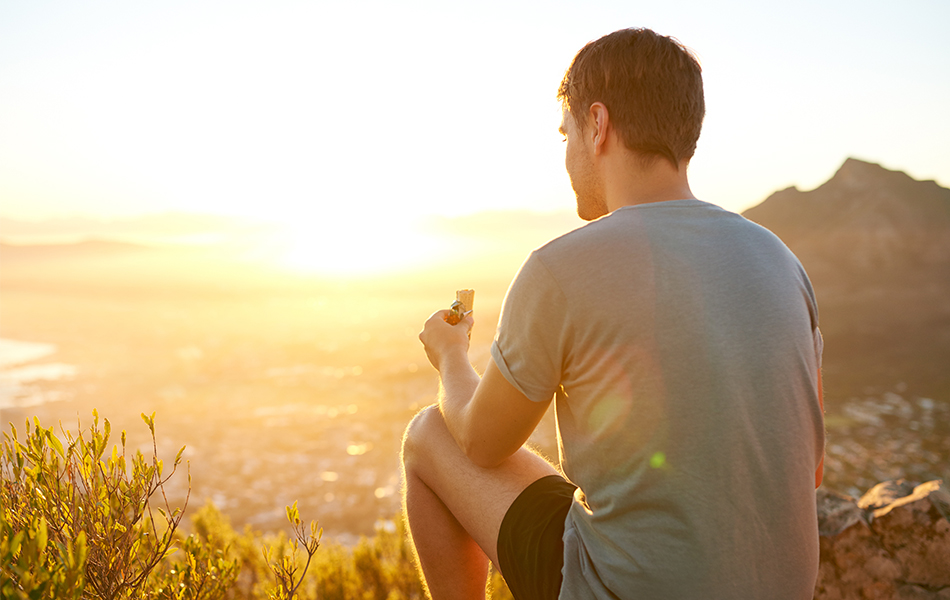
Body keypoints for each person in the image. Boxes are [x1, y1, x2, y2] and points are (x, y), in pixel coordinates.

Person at [402, 27, 825, 600]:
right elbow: (811, 469)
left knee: (429, 434)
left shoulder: (562, 268)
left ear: (597, 125)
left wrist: (452, 357)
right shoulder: (781, 261)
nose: (567, 154)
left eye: (566, 133)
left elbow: (479, 443)